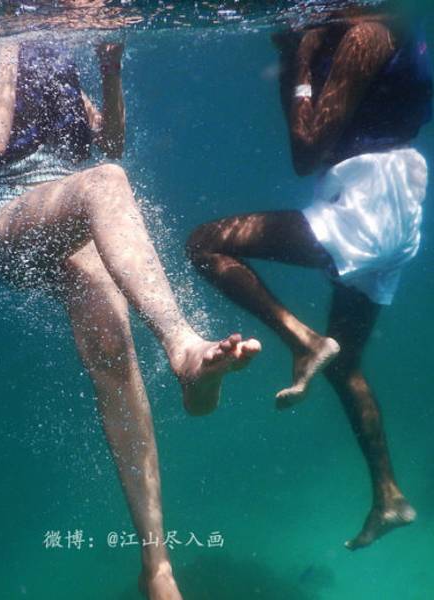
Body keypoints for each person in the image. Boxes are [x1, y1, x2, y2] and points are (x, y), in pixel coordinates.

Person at [0, 31, 260, 599]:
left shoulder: (53, 52)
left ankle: (157, 567)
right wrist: (8, 43)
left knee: (113, 355)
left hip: (69, 209)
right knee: (105, 184)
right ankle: (183, 346)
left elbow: (110, 142)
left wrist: (110, 73)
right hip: (7, 219)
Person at [186, 3, 430, 550]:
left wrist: (301, 58)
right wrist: (297, 56)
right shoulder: (385, 30)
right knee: (347, 365)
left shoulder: (364, 36)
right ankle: (389, 496)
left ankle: (301, 341)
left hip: (366, 205)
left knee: (204, 244)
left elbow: (304, 153)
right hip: (397, 204)